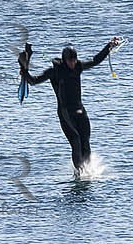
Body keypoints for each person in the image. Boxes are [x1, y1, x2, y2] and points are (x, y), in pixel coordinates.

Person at [20, 37, 122, 171]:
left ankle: (87, 169)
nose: (73, 63)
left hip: (80, 109)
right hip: (65, 112)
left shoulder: (78, 66)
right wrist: (25, 72)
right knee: (76, 141)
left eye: (74, 60)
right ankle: (80, 172)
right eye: (70, 60)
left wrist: (109, 46)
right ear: (64, 60)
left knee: (85, 141)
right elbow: (34, 81)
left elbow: (95, 60)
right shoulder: (55, 71)